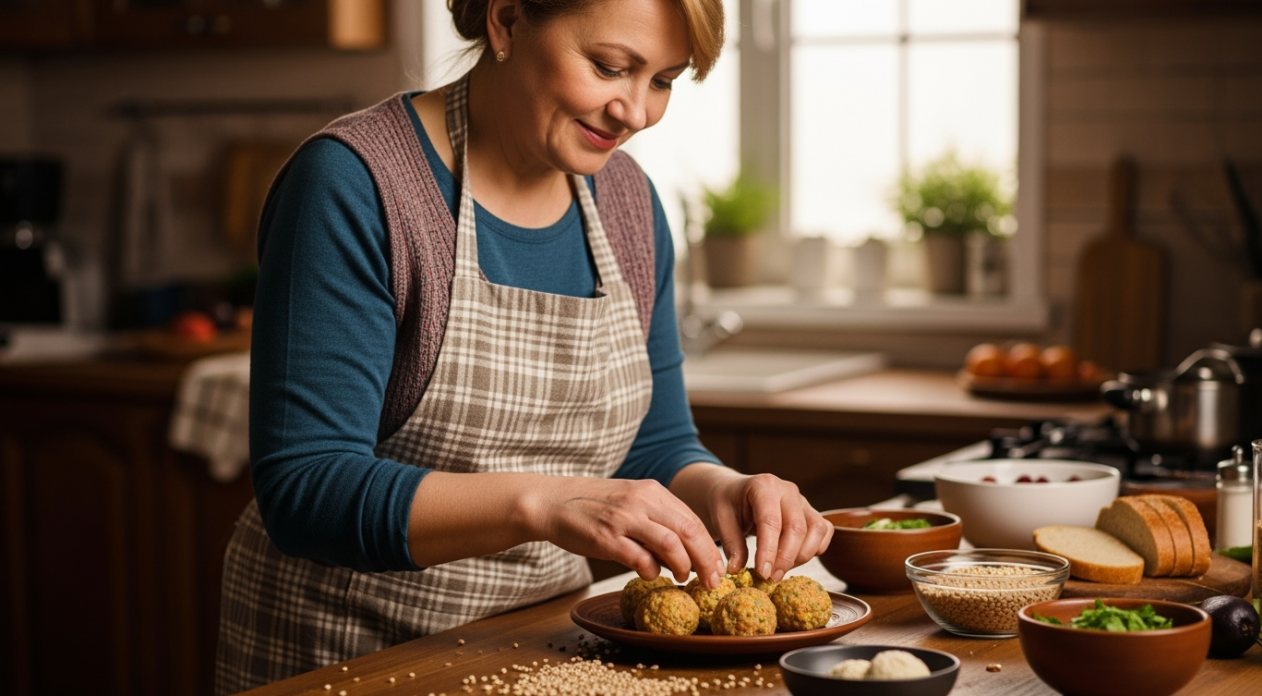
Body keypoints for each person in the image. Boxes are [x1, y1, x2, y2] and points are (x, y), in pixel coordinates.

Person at [215, 0, 832, 691]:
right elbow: (306, 490)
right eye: (610, 67)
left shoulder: (628, 204)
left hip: (541, 645)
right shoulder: (355, 184)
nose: (635, 112)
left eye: (663, 80)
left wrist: (728, 491)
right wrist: (546, 504)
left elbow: (654, 447)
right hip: (350, 651)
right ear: (506, 21)